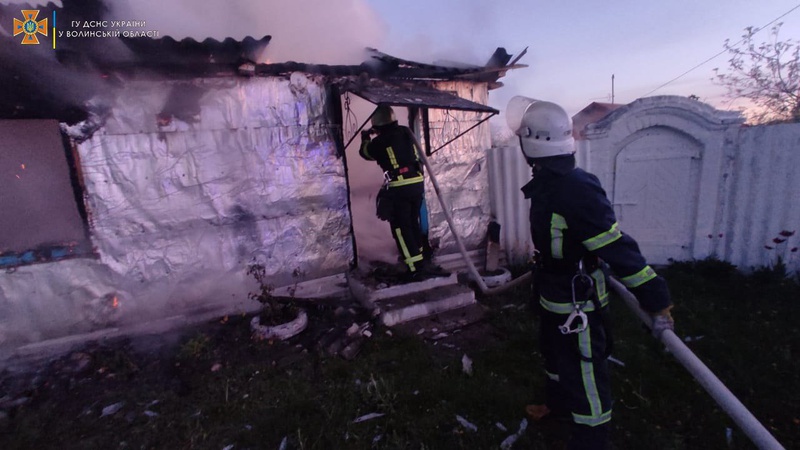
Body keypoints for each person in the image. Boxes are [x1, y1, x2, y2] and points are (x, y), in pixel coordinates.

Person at [506, 97, 675, 450]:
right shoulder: (548, 180)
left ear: (530, 144)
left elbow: (616, 248)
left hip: (577, 300)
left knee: (584, 367)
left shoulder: (575, 187)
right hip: (552, 291)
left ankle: (592, 439)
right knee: (554, 354)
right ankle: (559, 406)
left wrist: (655, 297)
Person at [359, 104, 448, 281]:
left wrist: (365, 138)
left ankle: (414, 267)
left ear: (377, 125)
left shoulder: (380, 142)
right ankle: (420, 258)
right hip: (416, 184)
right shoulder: (406, 133)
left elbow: (365, 153)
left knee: (400, 227)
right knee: (413, 222)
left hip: (400, 187)